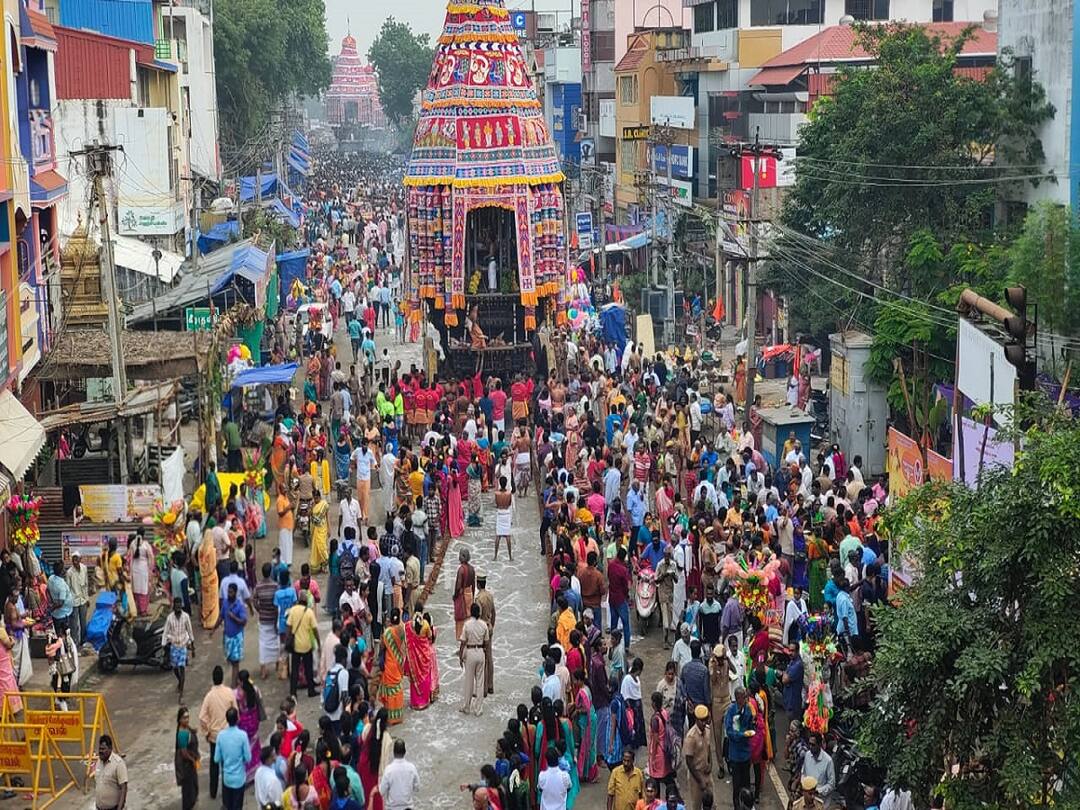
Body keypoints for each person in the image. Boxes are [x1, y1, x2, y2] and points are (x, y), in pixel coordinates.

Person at [199, 665, 238, 800]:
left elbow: (202, 717)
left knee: (214, 765)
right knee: (226, 765)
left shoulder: (209, 696)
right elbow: (236, 711)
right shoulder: (229, 692)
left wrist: (207, 732)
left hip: (215, 736)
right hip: (227, 735)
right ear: (222, 678)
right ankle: (226, 792)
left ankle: (213, 791)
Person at [213, 707, 252, 810]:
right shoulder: (242, 736)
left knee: (228, 806)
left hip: (227, 779)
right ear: (238, 719)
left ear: (226, 719)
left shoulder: (221, 736)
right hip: (239, 779)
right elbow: (248, 758)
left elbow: (216, 759)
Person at [213, 582, 248, 686]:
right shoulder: (225, 603)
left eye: (231, 592)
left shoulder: (240, 606)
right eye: (228, 592)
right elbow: (221, 617)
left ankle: (233, 685)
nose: (229, 594)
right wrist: (214, 629)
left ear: (235, 593)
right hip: (228, 636)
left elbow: (244, 621)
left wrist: (234, 617)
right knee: (231, 661)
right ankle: (236, 681)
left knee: (235, 662)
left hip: (236, 637)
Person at [724, 687, 754, 810]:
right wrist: (742, 735)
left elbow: (751, 726)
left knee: (746, 784)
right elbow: (730, 732)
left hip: (746, 754)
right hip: (735, 755)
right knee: (736, 786)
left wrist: (752, 730)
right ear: (737, 698)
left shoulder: (747, 710)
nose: (746, 700)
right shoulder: (731, 711)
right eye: (744, 697)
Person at [405, 604, 439, 709]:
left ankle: (415, 702)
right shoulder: (425, 625)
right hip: (424, 656)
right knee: (425, 678)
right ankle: (424, 701)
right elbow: (429, 638)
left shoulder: (408, 625)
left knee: (415, 681)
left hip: (414, 657)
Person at [285, 594, 320, 698]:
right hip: (306, 645)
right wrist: (318, 643)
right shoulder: (309, 612)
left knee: (294, 670)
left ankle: (293, 693)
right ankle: (311, 690)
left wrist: (288, 639)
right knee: (308, 669)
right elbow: (315, 630)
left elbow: (288, 627)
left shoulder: (293, 610)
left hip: (295, 645)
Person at [458, 602, 488, 716]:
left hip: (470, 652)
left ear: (471, 612)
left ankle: (467, 706)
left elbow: (463, 642)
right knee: (480, 681)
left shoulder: (467, 624)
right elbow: (486, 641)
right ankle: (478, 709)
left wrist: (461, 655)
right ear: (479, 613)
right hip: (480, 652)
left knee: (469, 681)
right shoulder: (484, 625)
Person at [379, 607, 408, 725]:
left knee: (390, 690)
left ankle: (390, 716)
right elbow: (403, 646)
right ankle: (398, 716)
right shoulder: (401, 630)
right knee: (397, 689)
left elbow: (382, 648)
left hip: (389, 664)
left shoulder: (387, 633)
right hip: (399, 663)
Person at [163, 597, 195, 701]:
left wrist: (192, 645)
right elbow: (165, 632)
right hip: (174, 645)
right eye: (176, 604)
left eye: (179, 604)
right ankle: (180, 682)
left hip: (183, 645)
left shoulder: (186, 617)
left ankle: (181, 693)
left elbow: (190, 630)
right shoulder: (169, 618)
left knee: (182, 668)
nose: (178, 606)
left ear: (181, 605)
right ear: (174, 605)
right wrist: (164, 645)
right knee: (175, 668)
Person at [235, 669, 263, 784]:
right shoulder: (254, 689)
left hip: (244, 723)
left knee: (245, 747)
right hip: (254, 721)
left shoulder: (238, 694)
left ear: (240, 681)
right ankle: (256, 768)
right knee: (254, 745)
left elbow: (238, 708)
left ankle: (247, 774)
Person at [683, 704, 713, 810]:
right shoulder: (691, 737)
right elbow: (689, 762)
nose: (704, 723)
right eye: (702, 720)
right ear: (696, 720)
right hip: (695, 775)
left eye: (706, 720)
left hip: (707, 773)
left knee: (712, 804)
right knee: (697, 805)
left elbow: (708, 749)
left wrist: (711, 764)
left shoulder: (708, 730)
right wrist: (700, 780)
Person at [379, 738, 419, 810]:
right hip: (408, 807)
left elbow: (382, 791)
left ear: (393, 752)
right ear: (405, 752)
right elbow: (417, 788)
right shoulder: (412, 768)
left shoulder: (388, 770)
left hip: (392, 807)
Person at [174, 706, 200, 810]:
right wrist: (193, 760)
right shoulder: (182, 734)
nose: (187, 719)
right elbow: (184, 753)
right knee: (188, 792)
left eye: (188, 717)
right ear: (180, 719)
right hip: (187, 767)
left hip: (191, 766)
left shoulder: (186, 728)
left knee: (193, 788)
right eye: (184, 718)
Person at [474, 574, 496, 695]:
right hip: (489, 626)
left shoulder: (478, 599)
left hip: (482, 629)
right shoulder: (489, 596)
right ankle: (490, 685)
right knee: (489, 656)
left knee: (483, 658)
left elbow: (478, 616)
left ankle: (484, 689)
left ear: (478, 584)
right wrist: (491, 625)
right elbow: (494, 612)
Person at [93, 734, 128, 810]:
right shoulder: (98, 762)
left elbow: (124, 788)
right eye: (100, 749)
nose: (100, 751)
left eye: (103, 749)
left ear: (110, 749)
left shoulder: (118, 764)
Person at [198, 521, 221, 630]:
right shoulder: (212, 550)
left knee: (206, 600)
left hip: (203, 578)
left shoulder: (200, 550)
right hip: (212, 577)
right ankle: (213, 620)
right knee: (213, 599)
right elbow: (214, 564)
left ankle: (206, 620)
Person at [801, 733, 835, 803]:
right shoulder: (807, 755)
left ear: (819, 745)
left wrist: (817, 791)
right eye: (809, 744)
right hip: (807, 799)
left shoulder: (828, 761)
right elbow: (803, 773)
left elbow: (831, 784)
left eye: (813, 745)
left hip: (821, 801)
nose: (810, 747)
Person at [66, 552, 90, 645]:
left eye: (77, 559)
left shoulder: (84, 568)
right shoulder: (69, 572)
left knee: (83, 622)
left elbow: (86, 584)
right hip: (74, 601)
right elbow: (68, 588)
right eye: (73, 560)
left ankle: (83, 641)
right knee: (74, 624)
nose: (75, 561)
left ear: (80, 559)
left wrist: (87, 598)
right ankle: (74, 642)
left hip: (83, 599)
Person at [453, 548, 476, 639]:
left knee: (460, 619)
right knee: (468, 617)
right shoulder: (472, 569)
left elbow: (458, 586)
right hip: (469, 594)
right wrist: (473, 596)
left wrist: (455, 596)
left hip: (462, 596)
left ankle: (461, 639)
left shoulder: (461, 570)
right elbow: (473, 584)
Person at [310, 490, 330, 573]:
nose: (315, 499)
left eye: (316, 498)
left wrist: (329, 528)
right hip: (315, 528)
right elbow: (310, 514)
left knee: (322, 547)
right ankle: (319, 565)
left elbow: (327, 516)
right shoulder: (313, 504)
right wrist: (311, 507)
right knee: (316, 548)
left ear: (319, 497)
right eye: (314, 498)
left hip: (322, 528)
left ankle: (326, 560)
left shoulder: (324, 504)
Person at [494, 475, 514, 560]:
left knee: (498, 535)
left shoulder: (496, 493)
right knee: (508, 535)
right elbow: (509, 503)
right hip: (506, 513)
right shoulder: (509, 493)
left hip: (500, 513)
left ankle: (495, 556)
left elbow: (496, 504)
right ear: (506, 484)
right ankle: (510, 556)